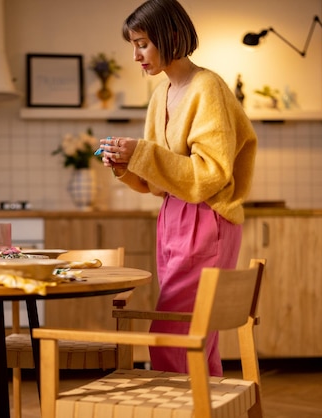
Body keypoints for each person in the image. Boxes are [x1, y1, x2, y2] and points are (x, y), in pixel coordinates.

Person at [99, 0, 257, 376]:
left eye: (142, 44)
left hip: (206, 218)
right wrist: (126, 166)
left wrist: (144, 153)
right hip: (173, 216)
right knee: (196, 335)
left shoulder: (209, 88)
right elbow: (158, 184)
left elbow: (210, 175)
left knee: (174, 333)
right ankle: (209, 407)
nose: (136, 55)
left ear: (169, 37)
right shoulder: (160, 95)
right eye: (133, 45)